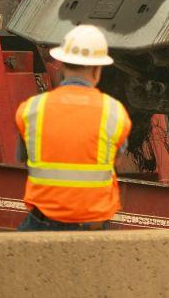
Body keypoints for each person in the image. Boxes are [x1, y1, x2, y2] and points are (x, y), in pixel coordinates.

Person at [15, 25, 130, 231]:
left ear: (62, 66)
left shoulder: (31, 109)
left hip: (43, 222)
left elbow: (25, 158)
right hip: (93, 226)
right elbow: (115, 160)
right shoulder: (115, 113)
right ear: (97, 70)